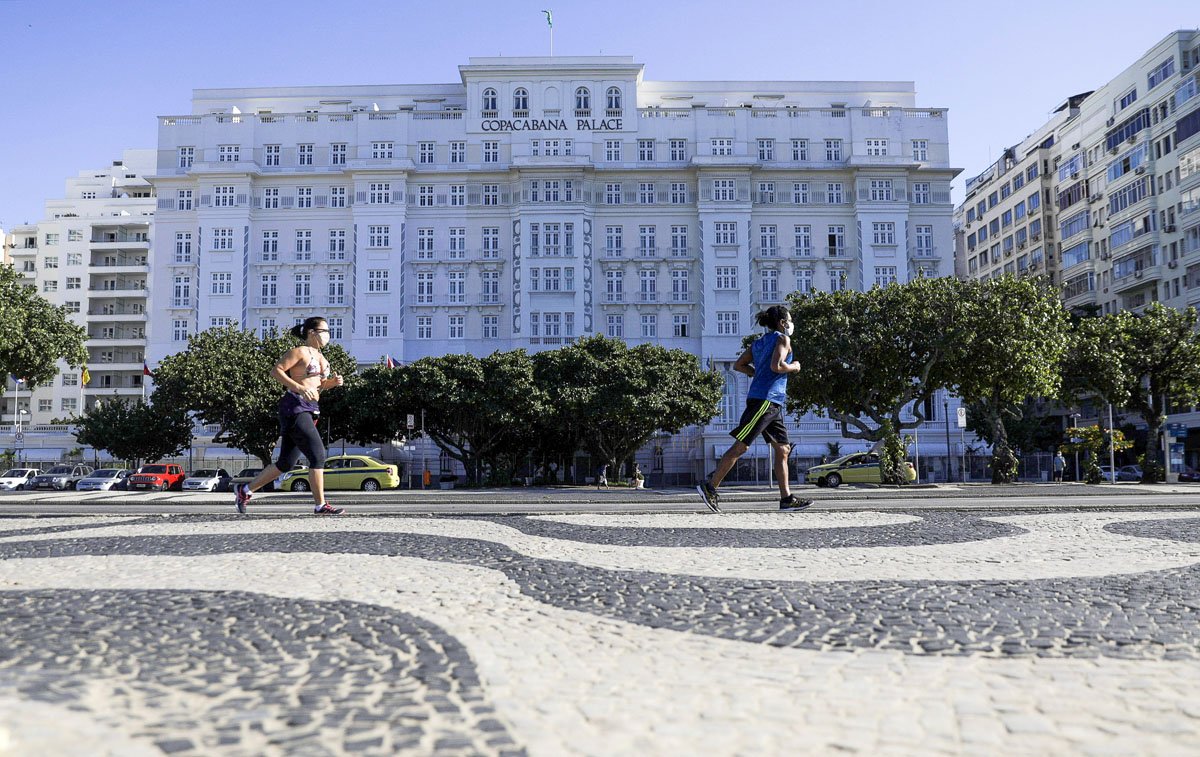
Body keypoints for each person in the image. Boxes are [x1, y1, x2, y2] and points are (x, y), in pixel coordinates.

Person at [697, 305, 813, 513]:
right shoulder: (782, 339)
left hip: (772, 403)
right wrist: (795, 366)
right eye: (789, 318)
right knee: (742, 446)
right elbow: (777, 366)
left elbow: (739, 365)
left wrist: (755, 374)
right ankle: (710, 486)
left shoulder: (758, 343)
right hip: (765, 401)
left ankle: (786, 499)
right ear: (782, 322)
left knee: (783, 449)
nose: (791, 322)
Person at [234, 317, 345, 515]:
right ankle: (321, 506)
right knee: (318, 455)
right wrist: (299, 387)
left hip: (311, 408)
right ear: (311, 332)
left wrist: (332, 383)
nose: (328, 334)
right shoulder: (299, 352)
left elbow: (318, 384)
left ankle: (244, 491)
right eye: (324, 330)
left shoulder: (322, 358)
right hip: (294, 406)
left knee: (286, 463)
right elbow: (276, 371)